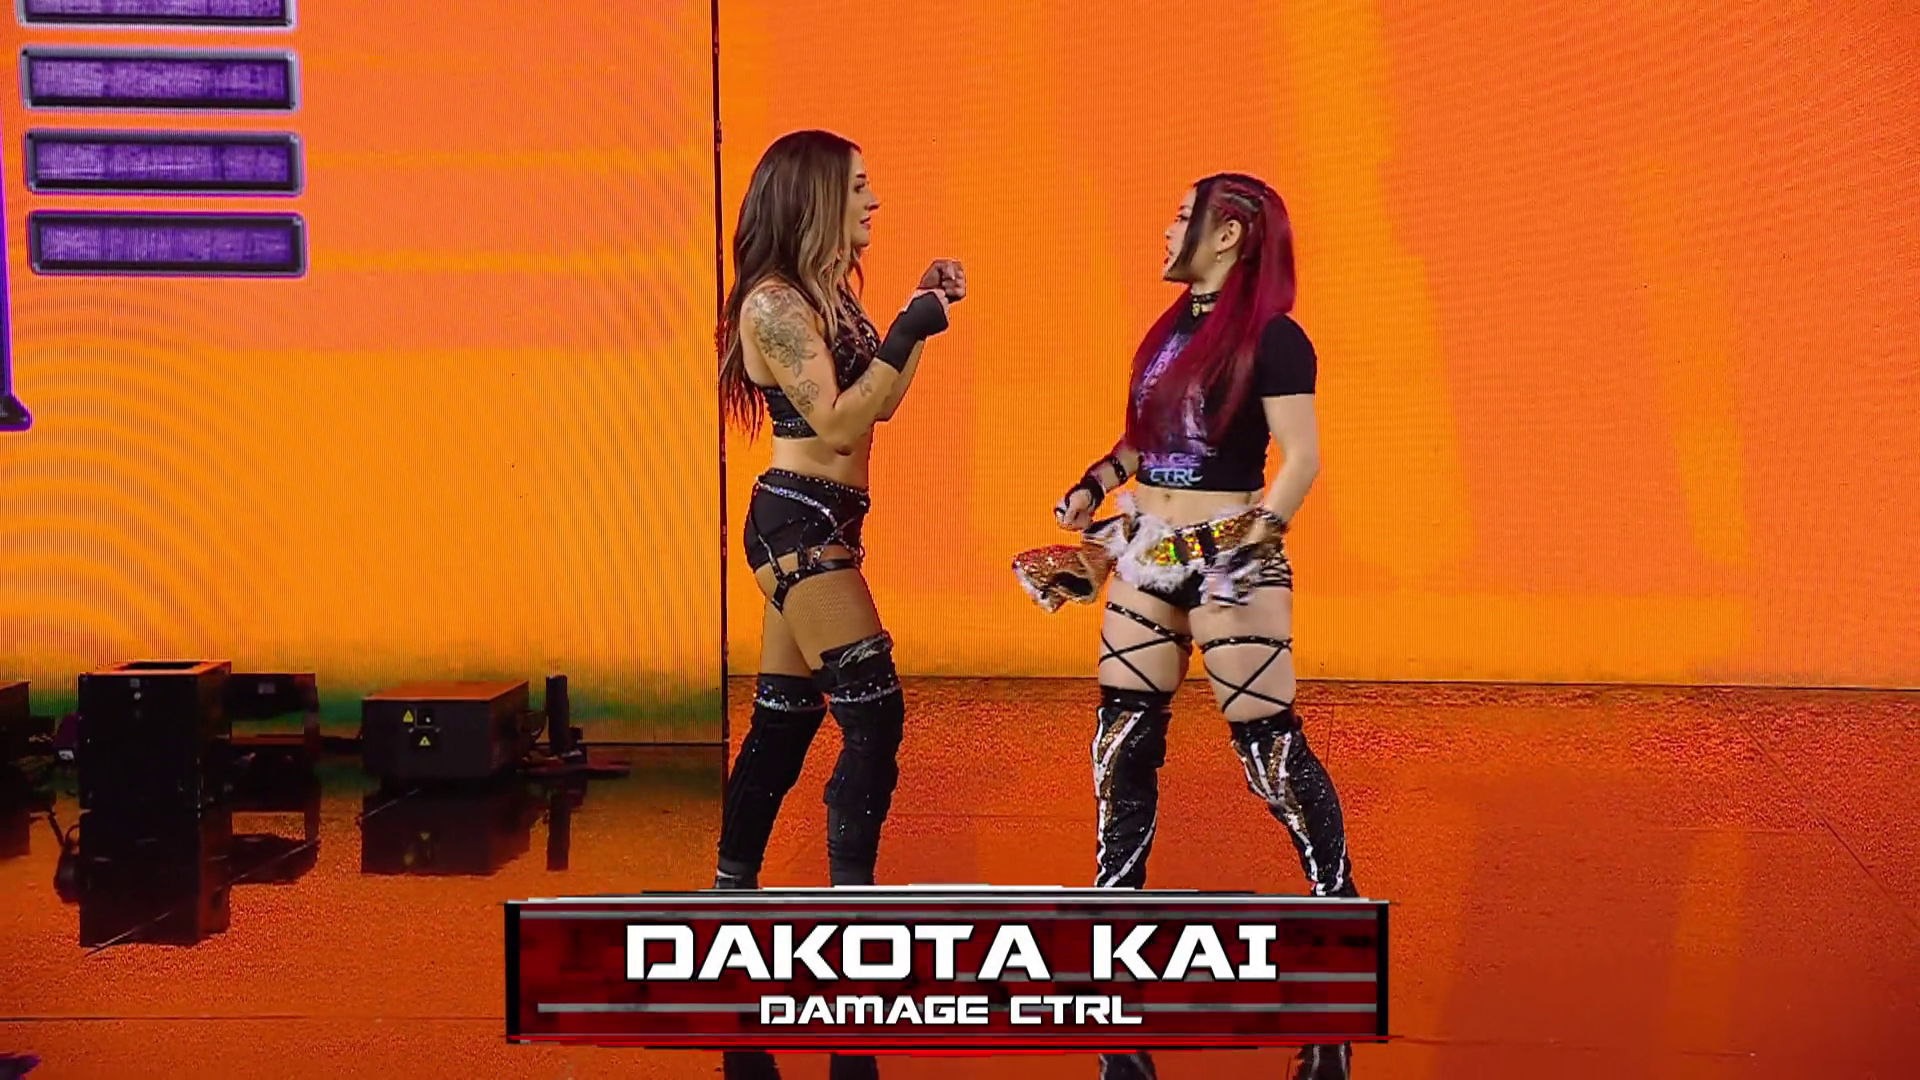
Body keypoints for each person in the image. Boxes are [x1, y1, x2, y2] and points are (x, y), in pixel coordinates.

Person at [1052, 173, 1358, 898]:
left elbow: (1302, 458)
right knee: (1122, 743)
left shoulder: (1275, 339)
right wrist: (1094, 484)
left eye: (1182, 216)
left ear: (1228, 236)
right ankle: (1117, 898)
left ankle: (1337, 898)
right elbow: (1145, 441)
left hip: (1229, 551)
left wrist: (1253, 544)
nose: (1167, 231)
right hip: (1148, 552)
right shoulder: (1169, 333)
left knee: (1268, 751)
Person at [712, 130, 964, 888]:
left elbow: (876, 403)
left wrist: (918, 317)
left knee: (785, 719)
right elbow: (839, 424)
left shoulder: (824, 295)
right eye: (858, 187)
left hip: (828, 519)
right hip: (798, 523)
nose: (873, 201)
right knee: (873, 712)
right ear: (816, 197)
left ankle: (730, 888)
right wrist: (907, 329)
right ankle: (854, 901)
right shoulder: (774, 306)